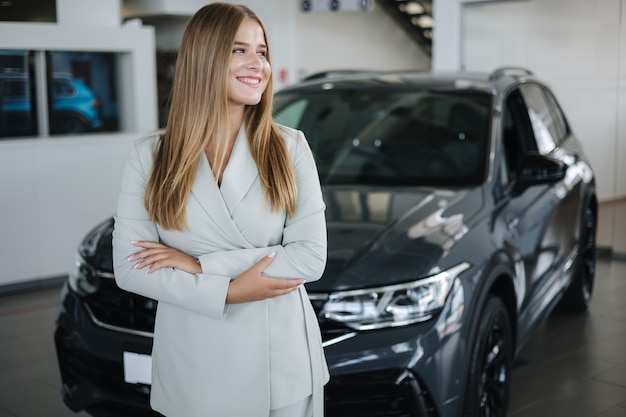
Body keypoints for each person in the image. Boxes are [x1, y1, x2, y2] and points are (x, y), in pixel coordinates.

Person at [111, 3, 329, 417]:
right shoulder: (150, 156)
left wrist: (198, 267)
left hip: (280, 366)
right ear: (203, 58)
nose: (257, 64)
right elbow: (130, 266)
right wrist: (230, 291)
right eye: (238, 50)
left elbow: (310, 257)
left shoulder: (290, 148)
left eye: (262, 51)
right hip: (194, 362)